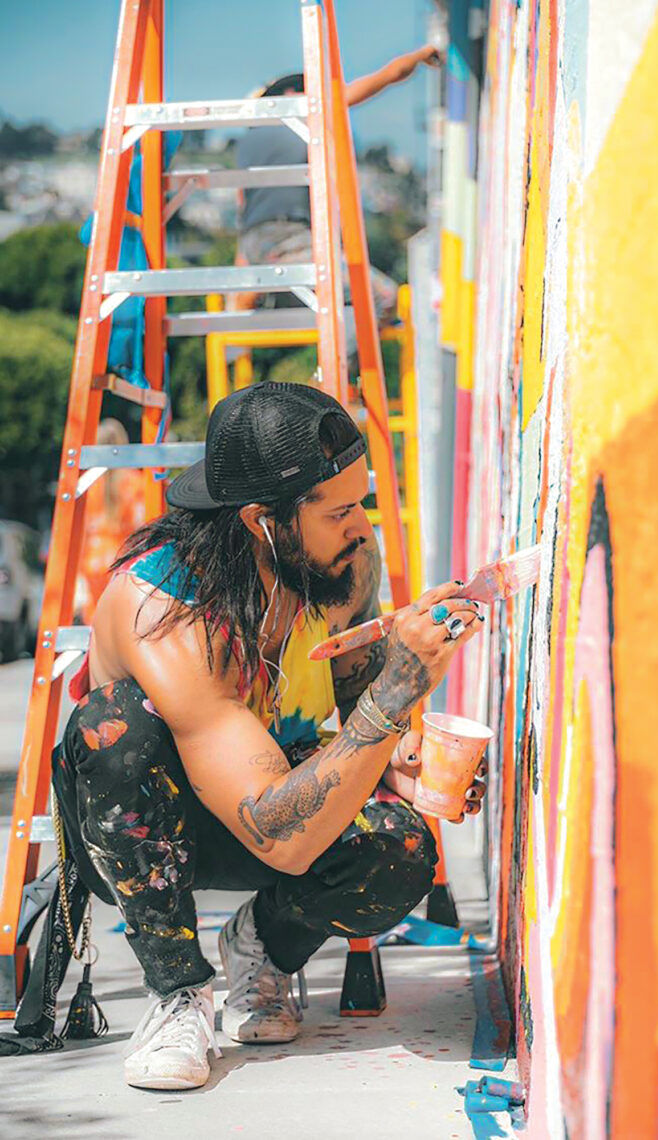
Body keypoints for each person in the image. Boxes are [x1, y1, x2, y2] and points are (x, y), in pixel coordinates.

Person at [53, 381, 486, 1091]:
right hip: (149, 835)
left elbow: (359, 724)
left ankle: (259, 950)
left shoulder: (340, 565)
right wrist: (396, 691)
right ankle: (177, 992)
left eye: (361, 504)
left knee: (401, 846)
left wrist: (412, 765)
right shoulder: (161, 608)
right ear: (263, 521)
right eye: (341, 511)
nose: (361, 528)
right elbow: (275, 832)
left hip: (268, 794)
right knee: (112, 727)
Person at [233, 46, 440, 318]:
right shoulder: (309, 116)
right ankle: (349, 361)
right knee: (384, 298)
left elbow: (244, 212)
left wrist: (240, 285)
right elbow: (392, 73)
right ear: (291, 96)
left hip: (258, 244)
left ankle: (242, 338)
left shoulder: (247, 145)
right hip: (294, 241)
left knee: (275, 307)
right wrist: (423, 53)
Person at [75, 419, 144, 624]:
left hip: (93, 562)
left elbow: (80, 532)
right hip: (125, 561)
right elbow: (144, 524)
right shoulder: (135, 482)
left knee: (96, 629)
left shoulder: (86, 484)